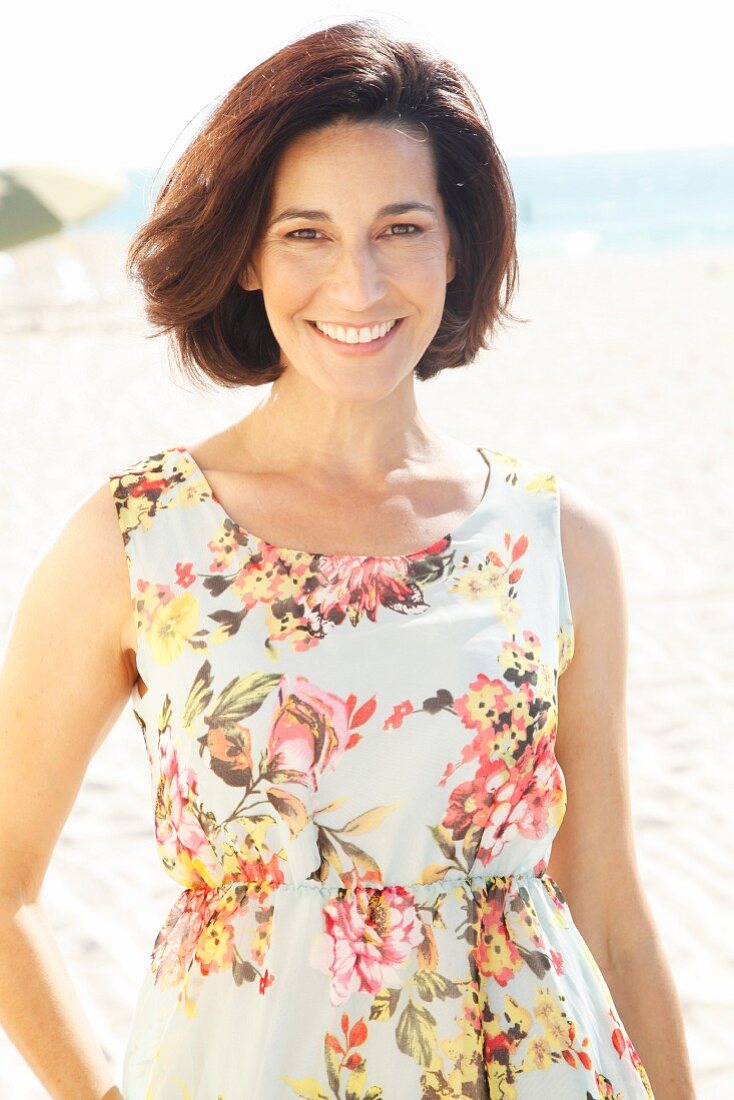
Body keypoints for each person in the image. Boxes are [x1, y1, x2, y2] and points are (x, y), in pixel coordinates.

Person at [0, 17, 696, 1100]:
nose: (358, 285)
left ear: (456, 244)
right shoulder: (138, 535)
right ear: (243, 253)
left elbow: (605, 897)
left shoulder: (556, 540)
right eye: (306, 234)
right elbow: (5, 882)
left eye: (400, 227)